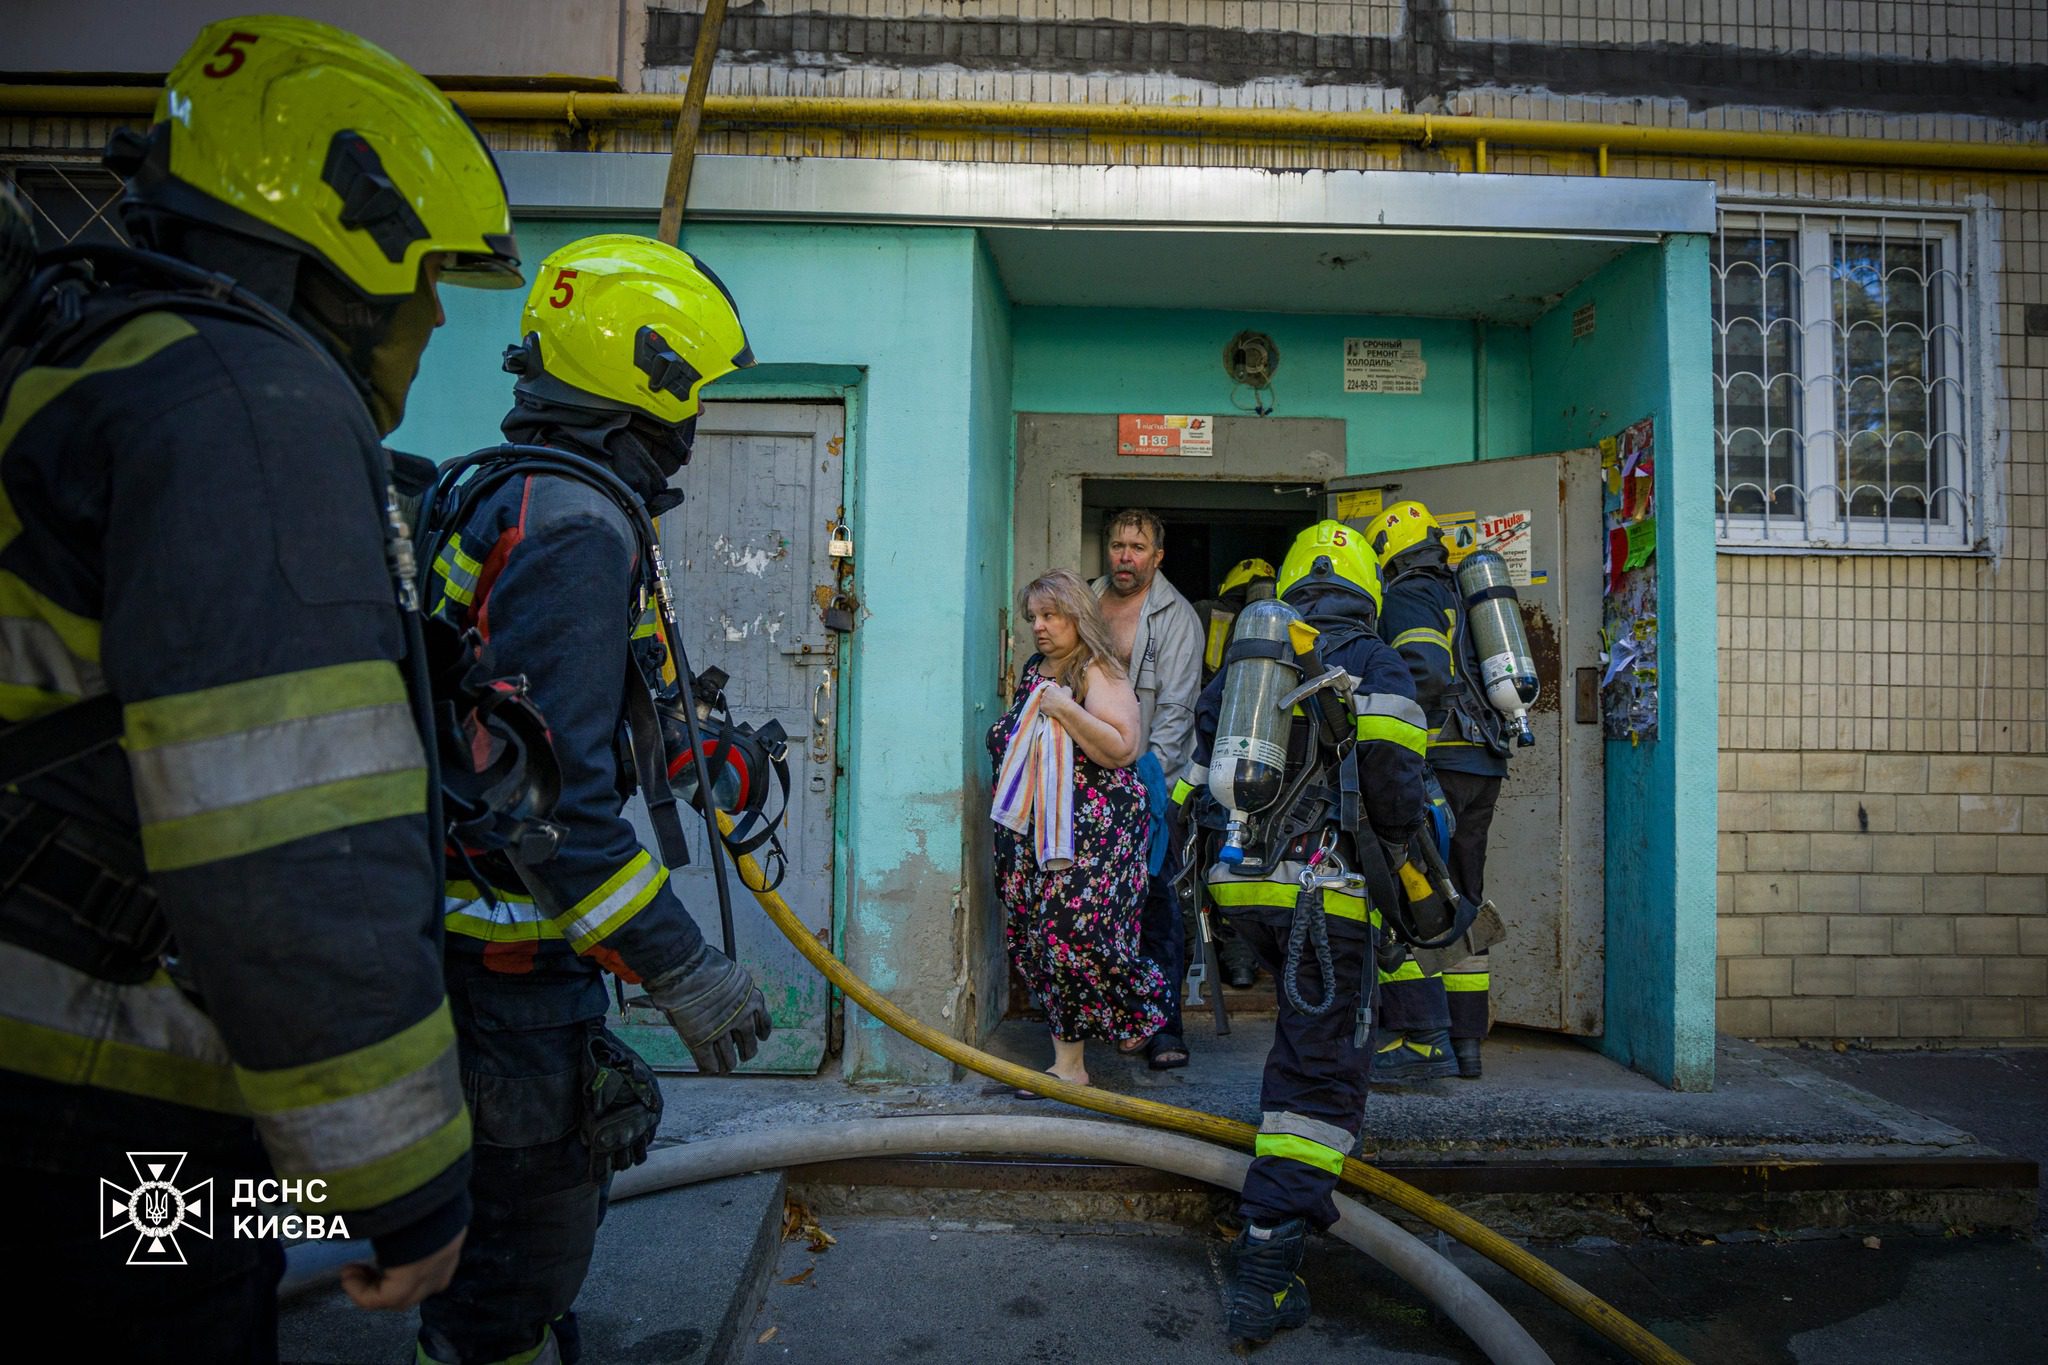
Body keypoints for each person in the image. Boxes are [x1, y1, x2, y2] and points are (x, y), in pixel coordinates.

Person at [0, 16, 523, 1358]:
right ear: (340, 236)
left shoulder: (110, 361)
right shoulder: (254, 406)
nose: (436, 316)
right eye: (427, 276)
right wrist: (410, 1188)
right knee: (172, 1302)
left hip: (65, 1085)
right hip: (94, 1101)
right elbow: (289, 839)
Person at [418, 235, 774, 1365]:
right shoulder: (577, 526)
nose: (694, 427)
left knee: (519, 1260)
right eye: (693, 397)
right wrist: (684, 971)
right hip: (507, 983)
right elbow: (545, 815)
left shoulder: (514, 492)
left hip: (481, 968)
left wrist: (698, 761)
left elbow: (537, 723)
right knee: (506, 1282)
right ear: (643, 381)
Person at [1171, 521, 1429, 1345]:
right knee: (1318, 1080)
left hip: (1240, 888)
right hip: (1327, 897)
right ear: (1368, 588)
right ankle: (1268, 1268)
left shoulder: (1249, 657)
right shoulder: (1376, 658)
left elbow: (1201, 771)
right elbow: (1393, 794)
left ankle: (1277, 1199)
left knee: (1298, 1037)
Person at [990, 569, 1169, 1088]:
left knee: (1070, 937)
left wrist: (1065, 708)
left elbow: (1122, 748)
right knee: (1040, 943)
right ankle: (1069, 1068)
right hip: (1040, 833)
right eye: (1033, 618)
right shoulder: (1035, 668)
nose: (1039, 627)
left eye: (1051, 615)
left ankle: (1144, 1006)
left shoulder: (1097, 670)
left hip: (1098, 836)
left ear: (1078, 616)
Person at [1366, 500, 1509, 1081]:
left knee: (1411, 895)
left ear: (1384, 553)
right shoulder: (1460, 592)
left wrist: (1406, 744)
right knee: (1464, 895)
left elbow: (1423, 668)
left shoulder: (1408, 594)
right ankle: (1467, 1039)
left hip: (1438, 763)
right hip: (1482, 764)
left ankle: (1419, 1038)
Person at [1090, 509, 1201, 1069]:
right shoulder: (1085, 603)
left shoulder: (1176, 617)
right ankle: (1101, 1018)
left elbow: (1177, 716)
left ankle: (1164, 1029)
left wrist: (1143, 787)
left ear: (1157, 556)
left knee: (1155, 903)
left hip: (1150, 782)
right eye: (1116, 545)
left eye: (1137, 547)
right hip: (1088, 784)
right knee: (1091, 905)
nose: (1125, 557)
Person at [1187, 555, 1280, 989]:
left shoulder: (1205, 614)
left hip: (1213, 759)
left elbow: (1201, 699)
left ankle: (1207, 951)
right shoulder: (1285, 626)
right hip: (1271, 762)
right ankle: (1246, 957)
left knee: (1208, 855)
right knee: (1257, 854)